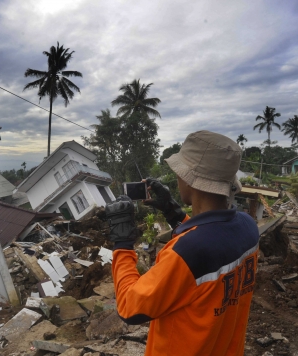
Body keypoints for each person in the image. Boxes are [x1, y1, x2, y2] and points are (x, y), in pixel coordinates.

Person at [105, 130, 260, 355]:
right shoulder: (248, 227)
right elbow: (213, 238)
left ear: (188, 180)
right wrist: (174, 213)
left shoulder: (185, 253)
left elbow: (130, 308)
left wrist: (122, 245)